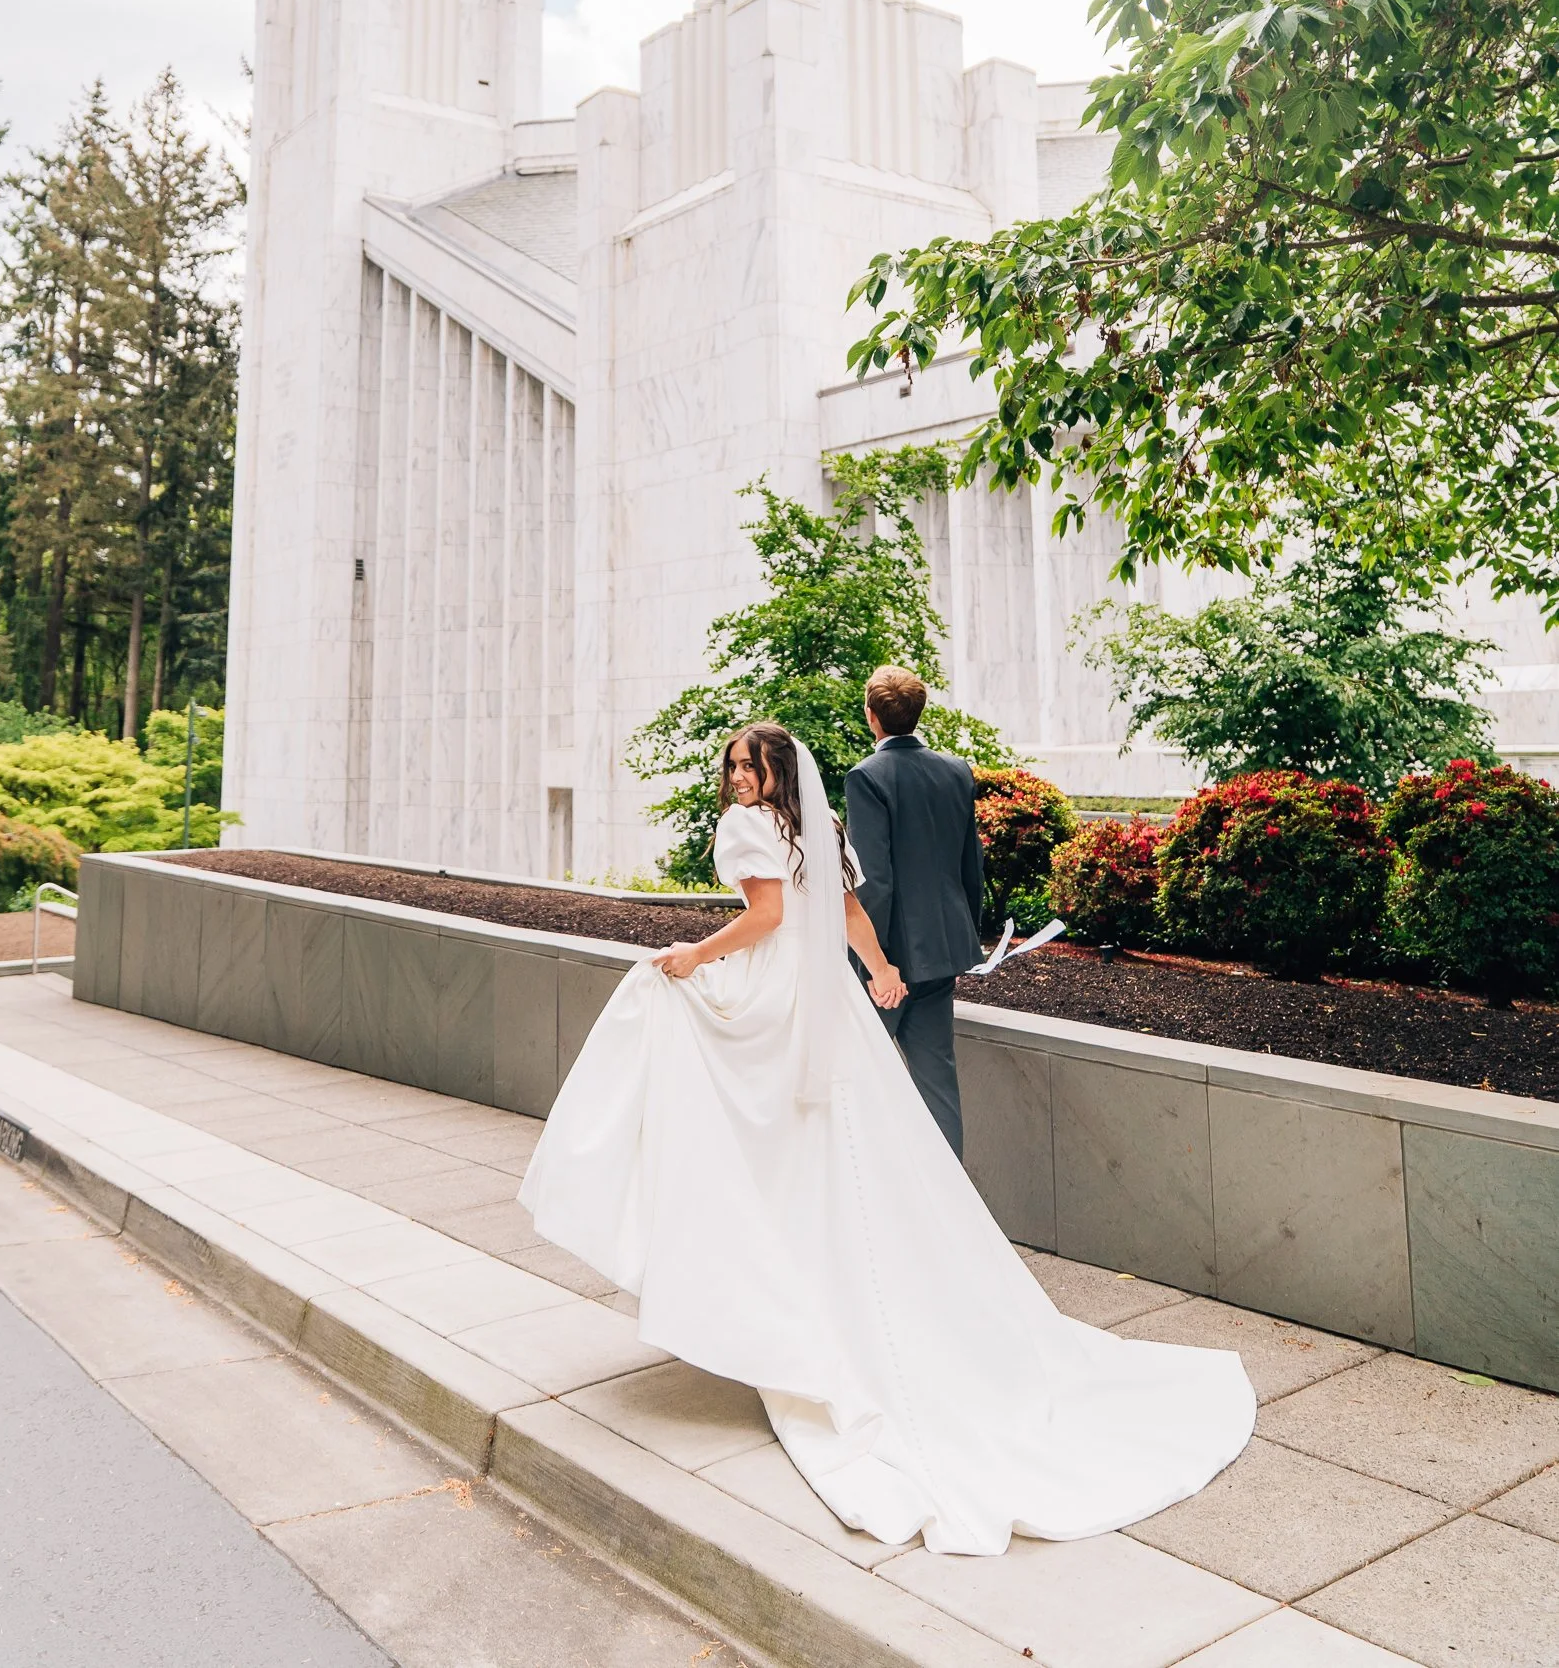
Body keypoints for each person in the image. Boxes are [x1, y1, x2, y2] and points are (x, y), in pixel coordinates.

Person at [519, 719, 1255, 1555]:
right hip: (823, 996)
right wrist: (875, 969)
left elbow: (765, 917)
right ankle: (805, 1271)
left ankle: (769, 1275)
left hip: (775, 995)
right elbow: (841, 910)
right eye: (732, 768)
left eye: (749, 766)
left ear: (774, 771)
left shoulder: (746, 830)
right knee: (841, 1136)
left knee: (692, 1049)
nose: (738, 779)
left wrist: (694, 954)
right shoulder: (817, 827)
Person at [844, 664, 981, 1155]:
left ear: (871, 717)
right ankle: (953, 1214)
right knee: (937, 1087)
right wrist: (967, 934)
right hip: (942, 952)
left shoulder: (867, 776)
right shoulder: (956, 769)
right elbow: (971, 866)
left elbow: (873, 882)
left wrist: (869, 964)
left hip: (888, 963)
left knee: (854, 1080)